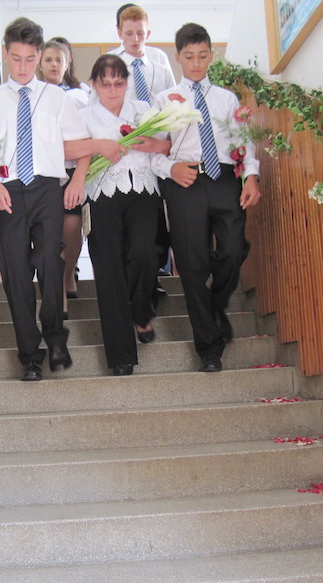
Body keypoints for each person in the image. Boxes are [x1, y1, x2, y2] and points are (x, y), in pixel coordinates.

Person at [0, 17, 92, 382]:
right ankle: (30, 356)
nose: (22, 67)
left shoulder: (57, 99)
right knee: (15, 273)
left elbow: (82, 145)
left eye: (29, 59)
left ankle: (55, 337)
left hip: (47, 190)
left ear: (39, 56)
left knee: (50, 263)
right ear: (6, 54)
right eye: (16, 58)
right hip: (7, 192)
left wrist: (77, 180)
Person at [152, 23, 261, 373]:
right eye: (189, 57)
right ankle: (209, 349)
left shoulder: (226, 99)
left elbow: (244, 141)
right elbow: (152, 152)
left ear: (211, 56)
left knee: (233, 249)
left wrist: (251, 176)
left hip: (225, 179)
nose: (196, 63)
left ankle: (215, 305)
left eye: (202, 56)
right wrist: (171, 169)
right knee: (192, 265)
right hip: (185, 181)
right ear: (178, 58)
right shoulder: (165, 100)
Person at [68, 54, 170, 376]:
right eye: (106, 84)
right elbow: (65, 149)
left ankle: (141, 311)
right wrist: (97, 145)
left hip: (143, 191)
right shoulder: (82, 115)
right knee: (109, 269)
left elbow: (168, 147)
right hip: (101, 196)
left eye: (119, 83)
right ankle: (121, 355)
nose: (113, 90)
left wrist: (153, 144)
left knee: (144, 253)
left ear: (127, 83)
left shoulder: (143, 110)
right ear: (94, 85)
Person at [110, 4, 175, 294]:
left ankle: (156, 270)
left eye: (140, 33)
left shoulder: (159, 61)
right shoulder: (112, 62)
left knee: (157, 210)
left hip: (157, 148)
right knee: (131, 211)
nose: (135, 39)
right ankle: (130, 273)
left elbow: (173, 101)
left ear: (148, 32)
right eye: (129, 33)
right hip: (127, 148)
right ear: (119, 33)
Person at [38, 39, 88, 315]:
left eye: (59, 59)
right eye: (48, 59)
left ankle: (68, 273)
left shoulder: (80, 96)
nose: (54, 64)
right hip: (43, 171)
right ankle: (57, 292)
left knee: (71, 225)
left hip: (72, 170)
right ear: (40, 63)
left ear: (68, 63)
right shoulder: (33, 94)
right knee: (49, 232)